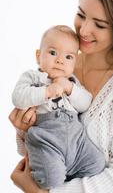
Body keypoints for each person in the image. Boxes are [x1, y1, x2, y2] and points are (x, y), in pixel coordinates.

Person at [9, 0, 113, 192]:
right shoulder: (60, 63)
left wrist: (45, 192)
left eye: (100, 25)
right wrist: (23, 130)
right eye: (81, 14)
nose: (83, 30)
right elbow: (34, 153)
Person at [11, 25, 105, 190]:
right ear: (38, 56)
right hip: (46, 139)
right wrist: (46, 91)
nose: (60, 60)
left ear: (75, 61)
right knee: (51, 179)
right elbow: (18, 97)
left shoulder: (72, 82)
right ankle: (51, 172)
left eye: (69, 57)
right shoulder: (33, 77)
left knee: (97, 163)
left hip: (77, 141)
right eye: (53, 53)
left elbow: (86, 103)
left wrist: (68, 88)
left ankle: (70, 176)